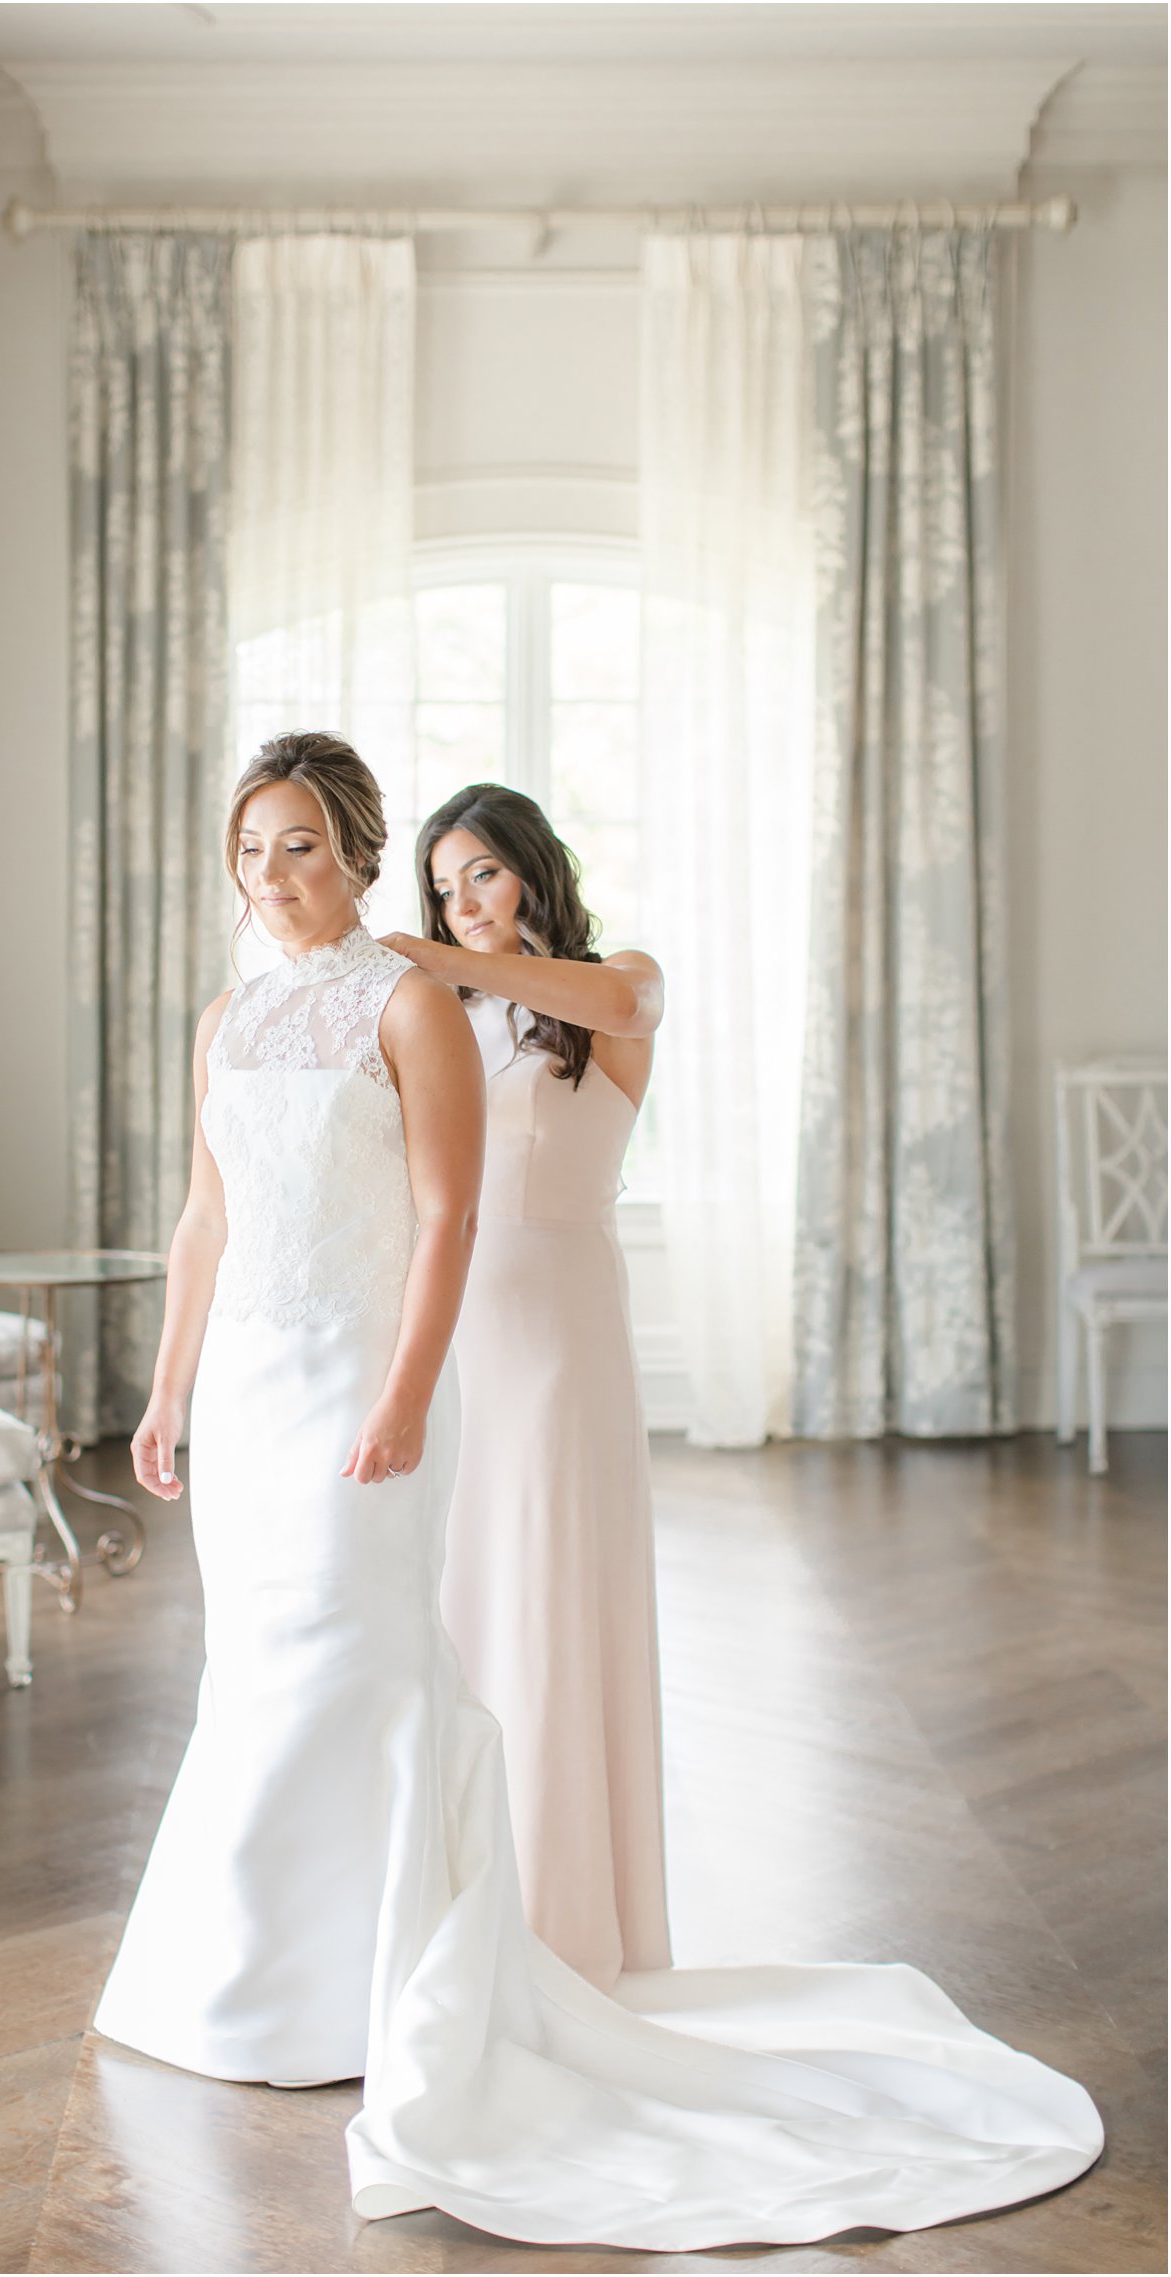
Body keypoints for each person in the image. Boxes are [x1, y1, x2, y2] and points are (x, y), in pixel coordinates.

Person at [93, 731, 1101, 2251]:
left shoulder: (496, 994)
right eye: (252, 848)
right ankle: (254, 1973)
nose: (273, 874)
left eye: (304, 843)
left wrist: (404, 1382)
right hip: (258, 1376)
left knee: (411, 1652)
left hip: (460, 1347)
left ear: (368, 858)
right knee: (283, 1670)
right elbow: (205, 1214)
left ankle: (454, 1956)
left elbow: (452, 1196)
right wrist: (167, 1386)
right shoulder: (238, 1018)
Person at [378, 781, 669, 1990]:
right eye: (442, 888)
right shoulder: (444, 1020)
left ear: (531, 869)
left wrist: (441, 959)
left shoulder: (612, 993)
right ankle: (461, 1900)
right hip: (451, 1336)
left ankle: (562, 1923)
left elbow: (615, 995)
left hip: (557, 1345)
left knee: (549, 1600)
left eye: (480, 875)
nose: (462, 904)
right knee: (460, 1602)